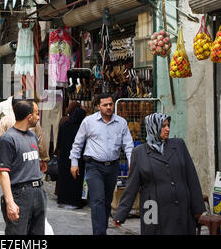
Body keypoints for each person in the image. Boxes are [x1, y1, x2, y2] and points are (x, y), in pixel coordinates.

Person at [113, 113, 205, 235]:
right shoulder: (139, 153)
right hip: (152, 209)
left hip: (181, 206)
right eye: (163, 126)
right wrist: (121, 213)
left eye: (168, 125)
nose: (168, 129)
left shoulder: (178, 145)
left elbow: (192, 177)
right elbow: (132, 186)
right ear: (153, 127)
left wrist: (198, 208)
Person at [69, 93, 134, 235]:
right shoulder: (89, 122)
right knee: (98, 200)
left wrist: (131, 162)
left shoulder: (121, 123)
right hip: (94, 166)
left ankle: (101, 230)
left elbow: (128, 145)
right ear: (98, 106)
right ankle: (99, 233)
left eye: (111, 104)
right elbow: (78, 143)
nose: (109, 107)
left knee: (106, 201)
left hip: (112, 167)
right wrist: (74, 162)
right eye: (105, 105)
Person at [0, 100, 47, 235]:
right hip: (20, 194)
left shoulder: (33, 136)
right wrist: (10, 202)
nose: (38, 117)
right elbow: (3, 173)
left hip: (38, 192)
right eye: (37, 114)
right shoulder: (8, 139)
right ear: (29, 116)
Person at [0, 97, 49, 172]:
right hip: (29, 159)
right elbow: (40, 140)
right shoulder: (32, 119)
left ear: (12, 106)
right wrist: (44, 158)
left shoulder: (5, 120)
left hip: (10, 159)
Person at [56, 105, 87, 209]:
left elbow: (59, 141)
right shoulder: (81, 128)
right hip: (78, 158)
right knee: (76, 180)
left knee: (64, 180)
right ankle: (75, 202)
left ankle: (63, 200)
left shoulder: (64, 125)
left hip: (64, 157)